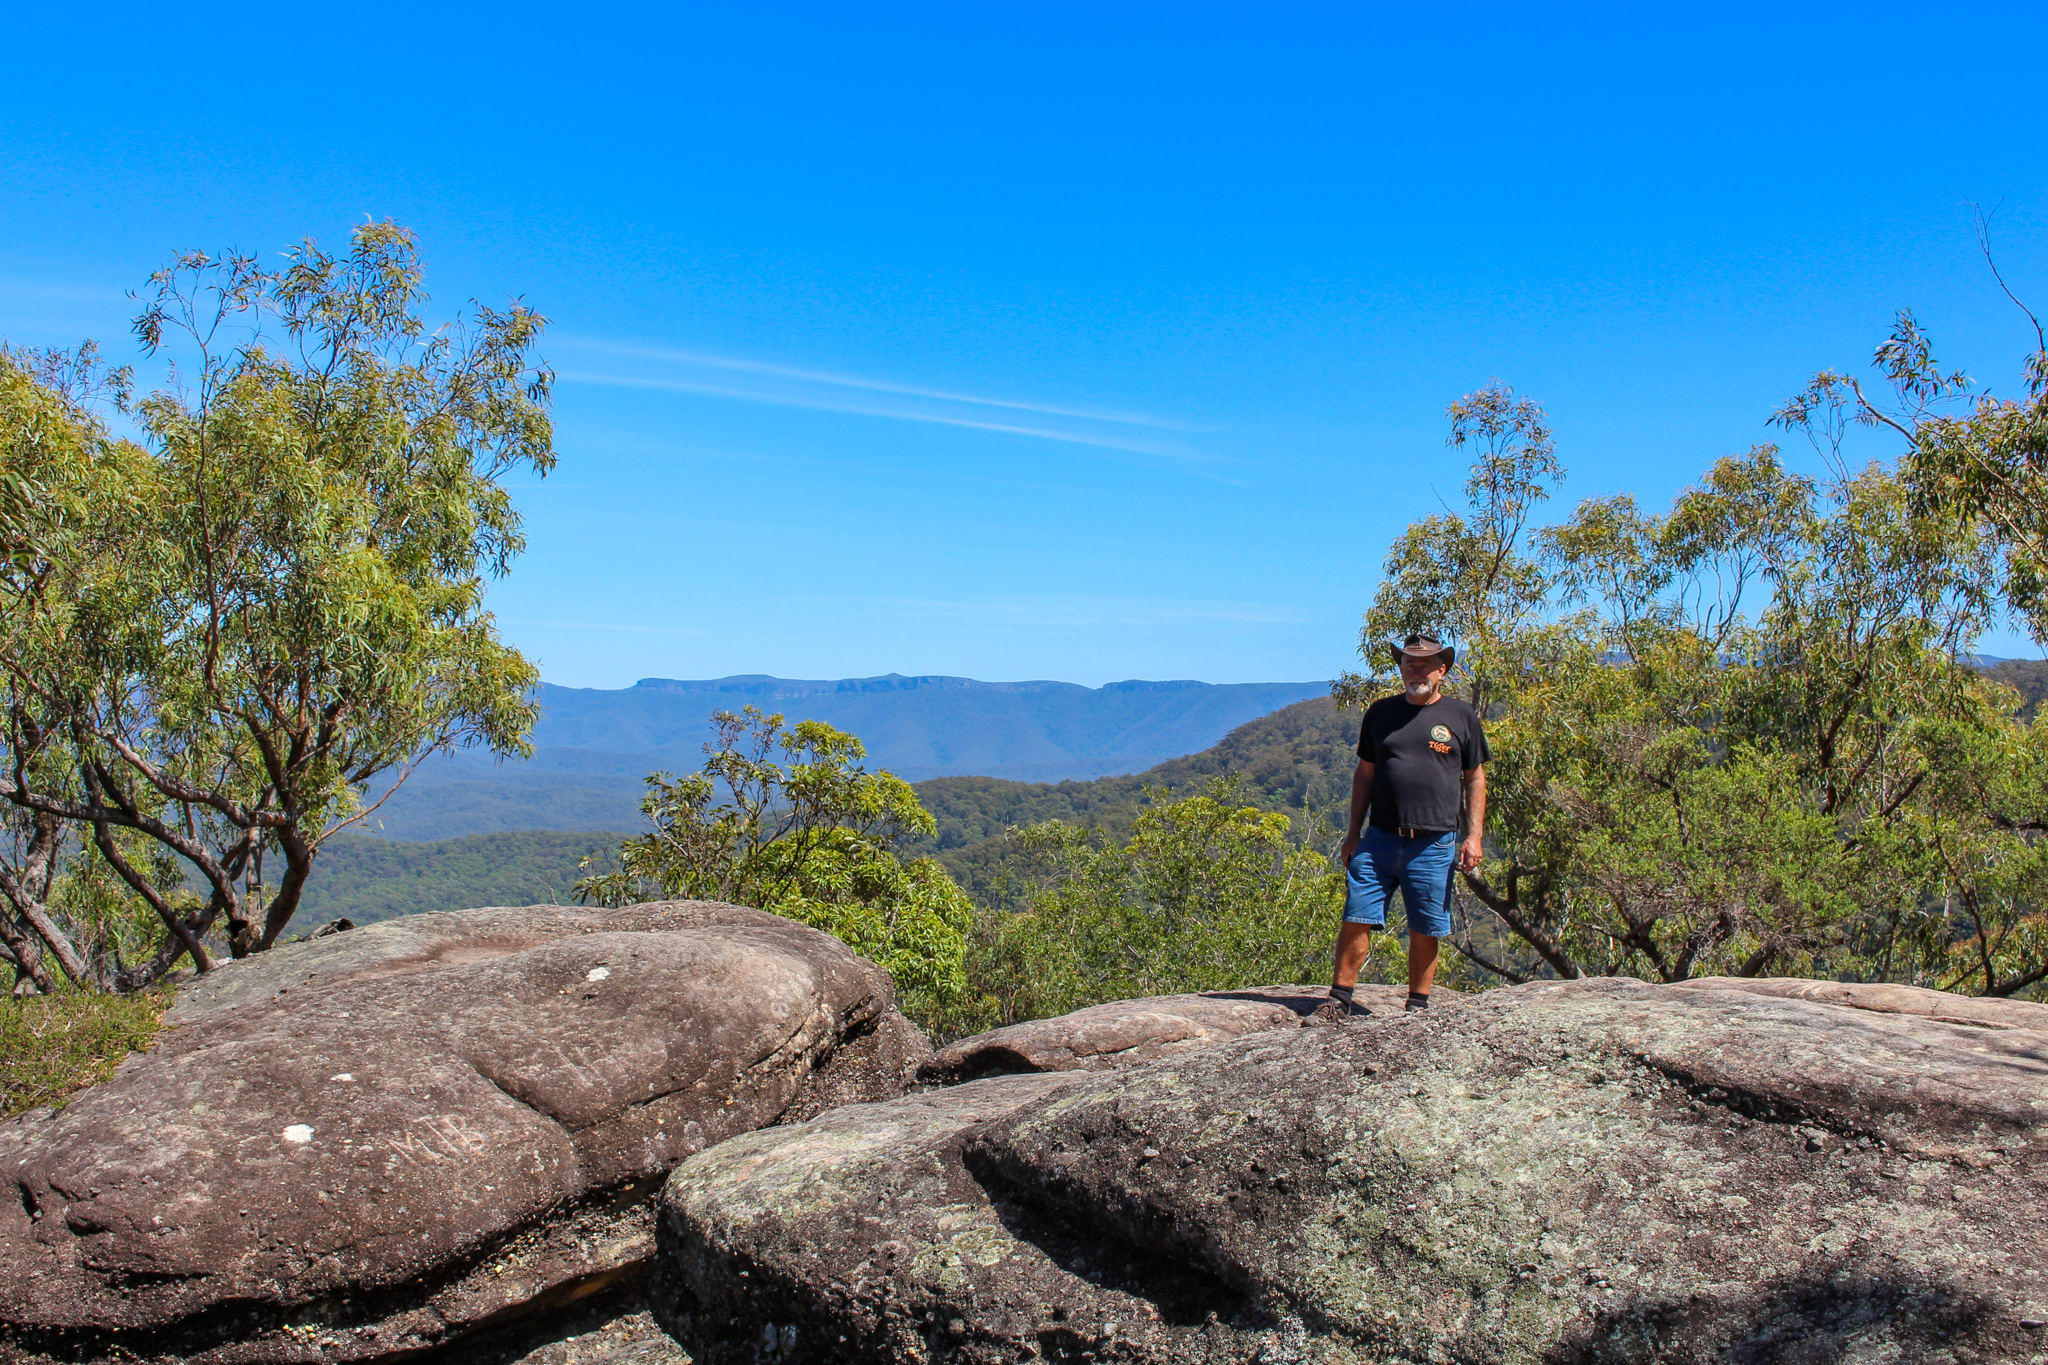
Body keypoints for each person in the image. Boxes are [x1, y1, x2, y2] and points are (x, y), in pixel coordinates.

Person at [1319, 632, 1488, 1018]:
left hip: (1434, 843)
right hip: (1379, 839)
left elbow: (1475, 777)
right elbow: (1364, 775)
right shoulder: (1380, 713)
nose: (1416, 670)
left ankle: (1418, 1008)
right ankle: (1339, 1001)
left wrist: (1474, 836)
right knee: (1356, 916)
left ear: (1441, 670)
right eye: (1409, 663)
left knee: (1426, 926)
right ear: (1401, 668)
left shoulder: (1461, 717)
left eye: (1425, 664)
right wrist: (1352, 834)